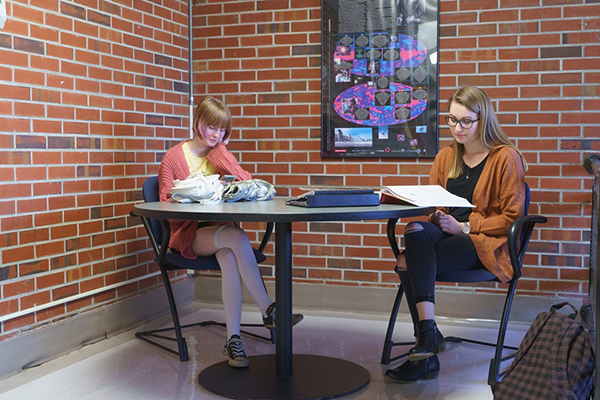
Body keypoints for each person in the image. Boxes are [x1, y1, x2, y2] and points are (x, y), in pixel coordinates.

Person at [384, 87, 528, 383]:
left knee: (406, 261)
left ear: (483, 119)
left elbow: (513, 217)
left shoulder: (506, 157)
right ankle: (427, 335)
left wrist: (464, 227)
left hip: (484, 243)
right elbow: (436, 205)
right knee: (414, 229)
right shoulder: (446, 156)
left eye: (465, 121)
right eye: (452, 120)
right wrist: (437, 216)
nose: (457, 128)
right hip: (447, 236)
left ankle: (426, 345)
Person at [158, 96, 302, 368]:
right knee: (237, 237)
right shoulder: (174, 156)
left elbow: (245, 182)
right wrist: (194, 188)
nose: (216, 134)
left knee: (228, 256)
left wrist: (221, 154)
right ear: (198, 122)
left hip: (219, 232)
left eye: (222, 129)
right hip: (188, 234)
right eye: (211, 127)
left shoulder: (218, 152)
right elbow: (166, 200)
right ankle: (269, 310)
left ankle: (233, 341)